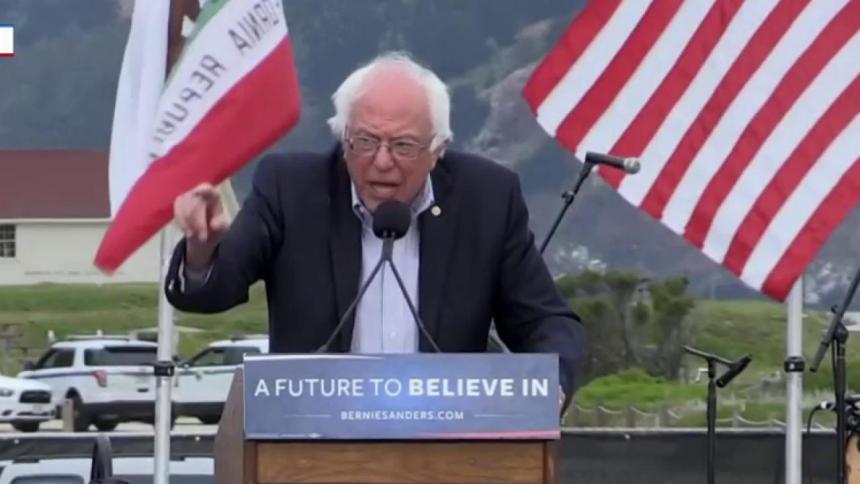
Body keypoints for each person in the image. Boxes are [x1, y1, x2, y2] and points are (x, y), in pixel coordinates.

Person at [164, 51, 585, 407]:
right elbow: (210, 292)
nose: (382, 162)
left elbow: (546, 321)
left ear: (437, 149)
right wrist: (201, 250)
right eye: (365, 142)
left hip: (445, 444)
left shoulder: (486, 199)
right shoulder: (290, 190)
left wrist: (551, 386)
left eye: (403, 146)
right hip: (313, 444)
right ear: (343, 136)